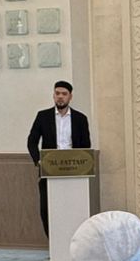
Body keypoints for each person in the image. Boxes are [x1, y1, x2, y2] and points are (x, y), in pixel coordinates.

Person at [26, 80, 91, 236]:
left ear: (70, 97)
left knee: (72, 207)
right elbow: (31, 141)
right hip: (49, 171)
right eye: (57, 93)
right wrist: (38, 161)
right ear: (53, 95)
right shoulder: (43, 116)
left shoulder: (80, 118)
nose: (60, 97)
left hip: (73, 172)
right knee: (46, 209)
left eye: (64, 94)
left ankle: (73, 239)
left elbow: (86, 147)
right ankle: (52, 241)